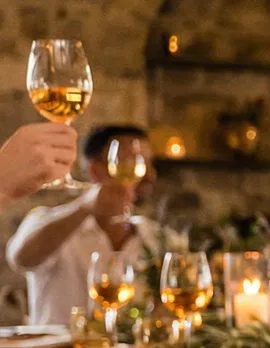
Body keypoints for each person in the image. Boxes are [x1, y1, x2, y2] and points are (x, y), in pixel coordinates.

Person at [6, 125, 157, 327]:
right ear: (95, 169)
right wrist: (84, 207)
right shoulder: (47, 221)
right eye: (133, 160)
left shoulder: (155, 236)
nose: (149, 174)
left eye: (148, 162)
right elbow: (21, 259)